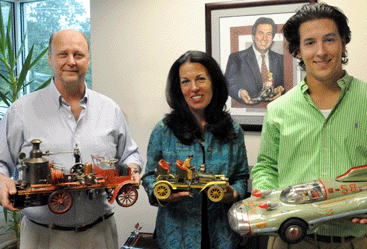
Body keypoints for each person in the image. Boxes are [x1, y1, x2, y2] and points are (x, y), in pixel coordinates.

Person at [251, 3, 367, 249]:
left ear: (343, 43)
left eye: (330, 39)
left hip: (355, 240)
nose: (321, 51)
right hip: (289, 240)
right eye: (310, 42)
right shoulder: (278, 110)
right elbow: (266, 167)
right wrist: (268, 197)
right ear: (298, 50)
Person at [0, 29, 143, 249]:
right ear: (49, 58)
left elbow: (129, 154)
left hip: (100, 234)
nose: (71, 61)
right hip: (43, 237)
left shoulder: (109, 109)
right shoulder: (21, 110)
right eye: (62, 54)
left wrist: (133, 167)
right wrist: (2, 180)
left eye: (78, 54)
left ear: (88, 59)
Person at [142, 50, 249, 249]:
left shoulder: (233, 131)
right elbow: (149, 176)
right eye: (185, 81)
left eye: (201, 79)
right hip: (177, 235)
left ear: (214, 83)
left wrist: (233, 194)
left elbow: (241, 177)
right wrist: (161, 194)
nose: (194, 88)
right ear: (178, 87)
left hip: (223, 235)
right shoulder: (163, 130)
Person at [225, 17, 285, 104]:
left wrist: (281, 89)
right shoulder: (237, 58)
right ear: (253, 36)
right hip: (248, 111)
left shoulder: (281, 59)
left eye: (269, 34)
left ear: (272, 38)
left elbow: (287, 84)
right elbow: (228, 84)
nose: (264, 38)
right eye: (261, 33)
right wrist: (240, 92)